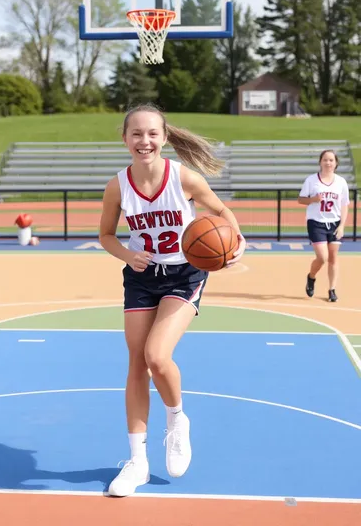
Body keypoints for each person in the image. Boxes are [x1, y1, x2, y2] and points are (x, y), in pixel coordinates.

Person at [98, 103, 246, 497]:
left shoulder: (183, 178)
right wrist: (129, 255)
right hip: (142, 277)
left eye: (151, 134)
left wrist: (237, 244)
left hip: (184, 273)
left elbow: (221, 211)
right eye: (136, 134)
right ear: (125, 138)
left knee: (156, 356)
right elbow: (106, 235)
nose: (144, 141)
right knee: (135, 363)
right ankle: (137, 462)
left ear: (164, 138)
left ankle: (177, 421)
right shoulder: (118, 186)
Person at [297, 149, 350, 302]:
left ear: (336, 163)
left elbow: (344, 205)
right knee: (322, 257)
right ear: (320, 162)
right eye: (325, 160)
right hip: (316, 222)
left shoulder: (341, 182)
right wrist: (313, 199)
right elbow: (301, 200)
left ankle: (332, 289)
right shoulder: (311, 180)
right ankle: (311, 276)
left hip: (334, 222)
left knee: (333, 258)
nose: (328, 163)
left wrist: (341, 225)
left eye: (331, 160)